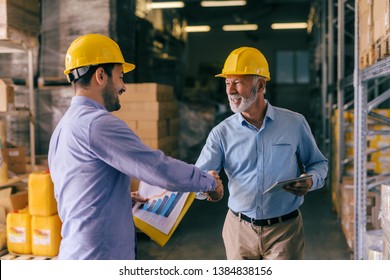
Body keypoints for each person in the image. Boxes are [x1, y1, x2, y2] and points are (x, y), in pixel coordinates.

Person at [47, 34, 223, 260]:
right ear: (101, 75)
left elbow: (73, 191)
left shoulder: (63, 127)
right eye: (120, 76)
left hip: (77, 251)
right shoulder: (98, 124)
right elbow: (156, 168)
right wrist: (207, 181)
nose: (123, 86)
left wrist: (118, 198)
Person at [196, 46, 328, 260]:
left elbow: (318, 163)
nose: (230, 90)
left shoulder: (294, 123)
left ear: (261, 84)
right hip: (239, 232)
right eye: (228, 83)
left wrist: (311, 180)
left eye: (238, 82)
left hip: (285, 231)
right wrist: (208, 188)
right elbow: (198, 178)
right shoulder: (221, 133)